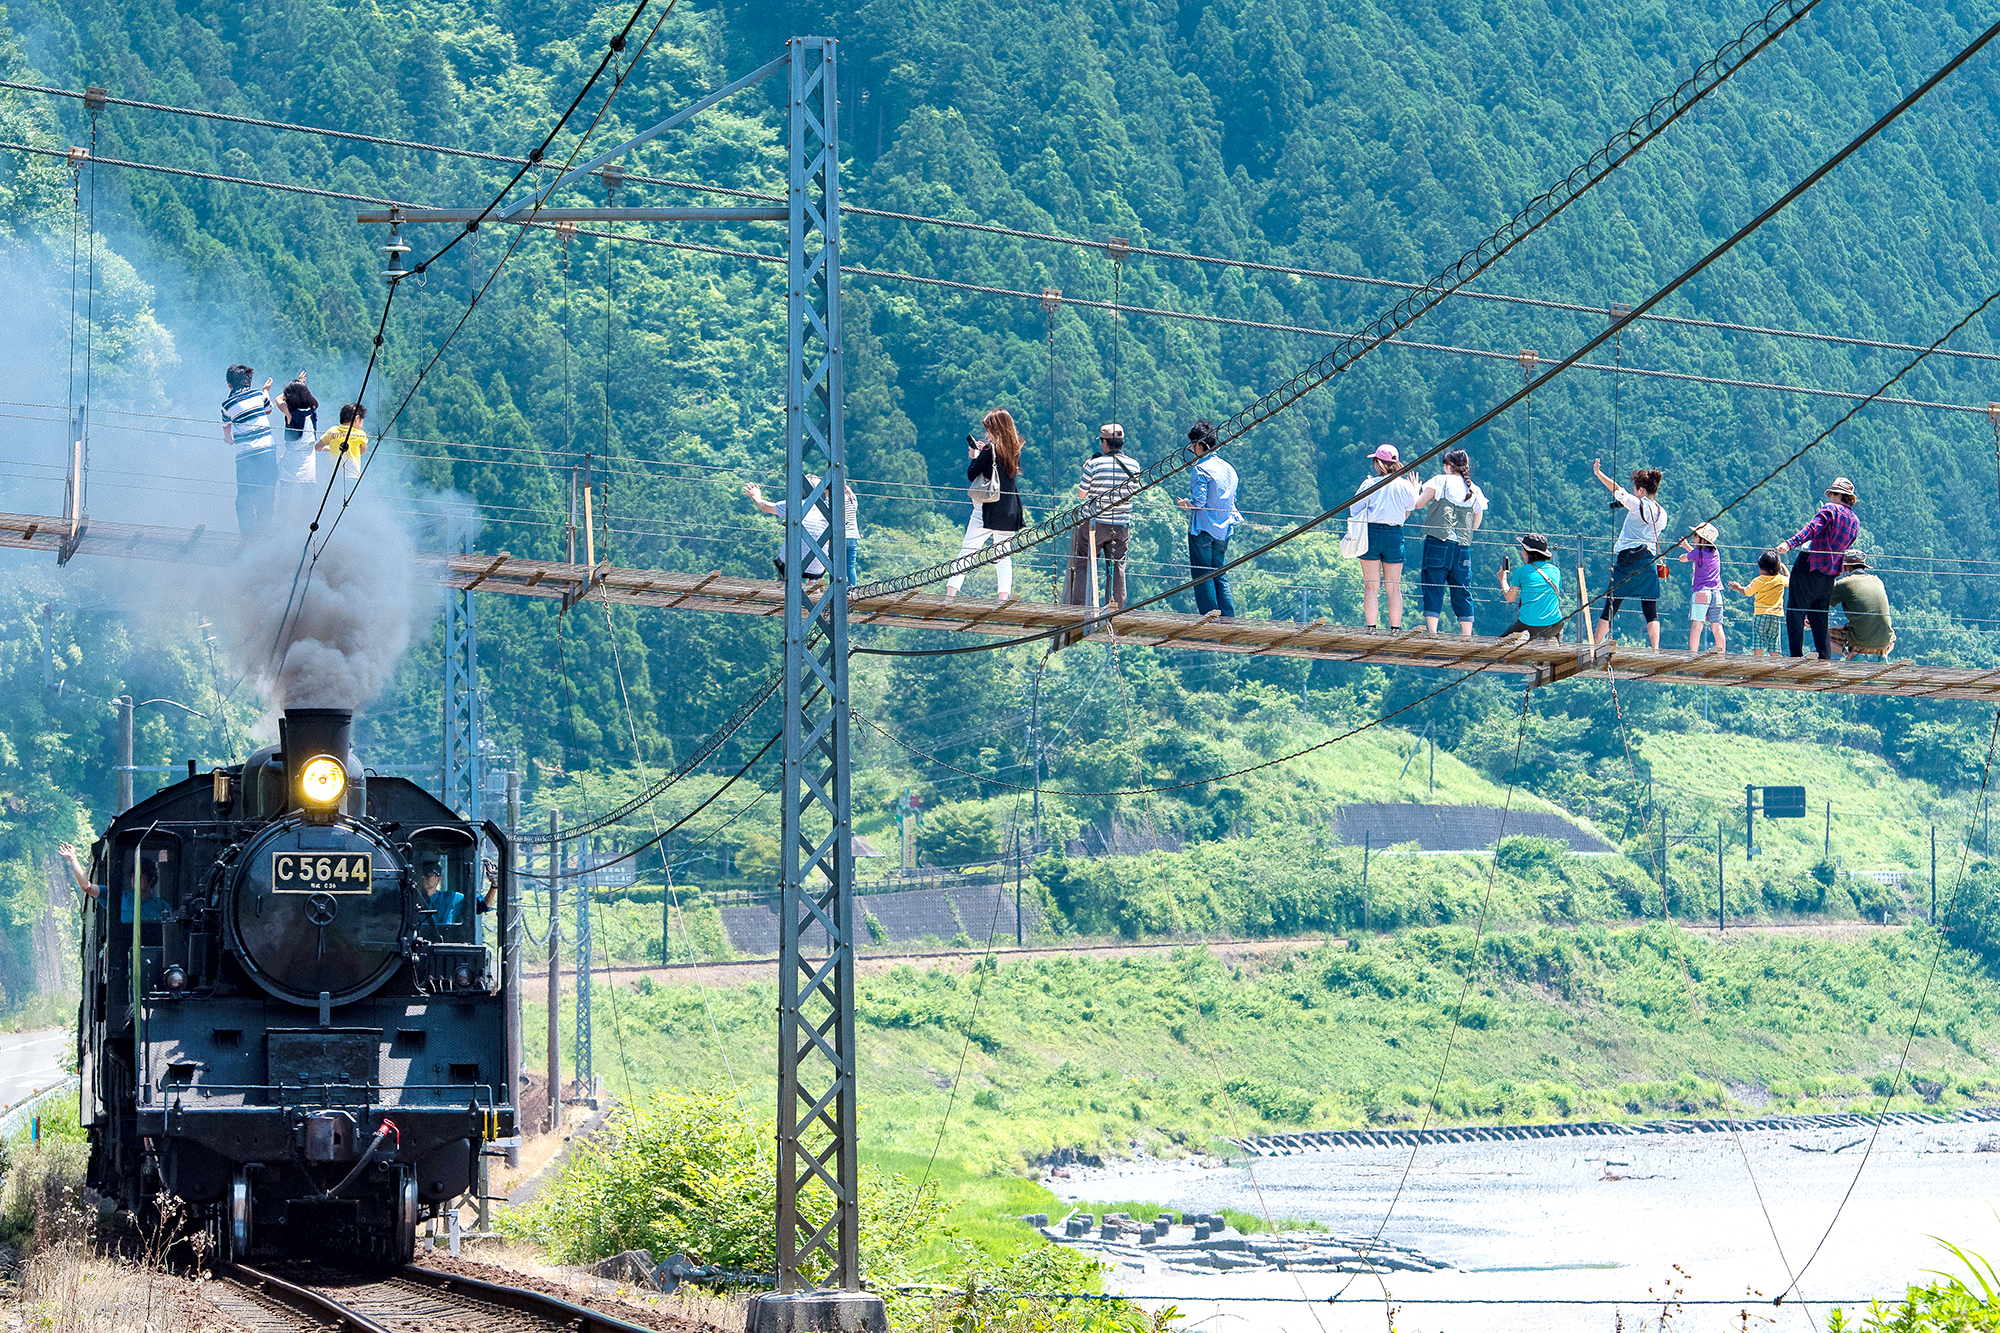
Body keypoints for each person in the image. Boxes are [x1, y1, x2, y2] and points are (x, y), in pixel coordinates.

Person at [1777, 476, 1861, 660]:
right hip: (1829, 574)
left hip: (1809, 564)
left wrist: (1789, 544)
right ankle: (1825, 659)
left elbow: (1812, 528)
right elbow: (1847, 545)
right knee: (1820, 617)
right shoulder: (1855, 521)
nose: (1829, 497)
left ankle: (1795, 658)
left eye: (1831, 494)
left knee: (1796, 610)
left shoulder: (1830, 509)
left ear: (1838, 495)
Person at [947, 409, 1027, 600]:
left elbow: (972, 474)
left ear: (995, 428)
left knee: (968, 551)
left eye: (988, 428)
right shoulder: (1015, 449)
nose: (986, 432)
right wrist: (982, 453)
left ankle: (950, 595)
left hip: (987, 509)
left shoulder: (989, 449)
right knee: (1003, 556)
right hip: (1010, 510)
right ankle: (1003, 598)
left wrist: (975, 456)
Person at [1062, 423, 1142, 612]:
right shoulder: (1134, 465)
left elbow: (1081, 494)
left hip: (1094, 524)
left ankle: (1080, 609)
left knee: (1084, 563)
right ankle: (1115, 609)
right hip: (1121, 525)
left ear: (1105, 443)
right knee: (1117, 567)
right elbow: (1135, 490)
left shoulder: (1094, 464)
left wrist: (1088, 469)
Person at [1590, 460, 1667, 650]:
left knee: (1611, 605)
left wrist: (1599, 473)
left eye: (1635, 489)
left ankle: (1594, 646)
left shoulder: (1636, 504)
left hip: (1627, 561)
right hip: (1648, 561)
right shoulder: (1662, 514)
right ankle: (1655, 650)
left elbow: (1617, 490)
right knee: (1651, 610)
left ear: (1641, 490)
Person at [1412, 448, 1487, 636]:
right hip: (1462, 547)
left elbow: (1419, 503)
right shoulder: (1475, 489)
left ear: (1449, 466)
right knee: (1463, 590)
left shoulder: (1441, 481)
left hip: (1438, 542)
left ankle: (1433, 632)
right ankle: (1466, 635)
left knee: (1433, 586)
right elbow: (1476, 522)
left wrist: (1414, 489)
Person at [1350, 443, 1422, 632]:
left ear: (1378, 462)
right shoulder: (1405, 486)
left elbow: (1354, 510)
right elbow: (1408, 510)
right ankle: (1395, 630)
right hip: (1394, 534)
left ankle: (1371, 628)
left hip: (1371, 533)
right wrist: (1415, 489)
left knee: (1371, 586)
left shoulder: (1369, 484)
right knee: (1394, 587)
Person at [1176, 418, 1240, 618]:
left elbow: (1199, 502)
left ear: (1200, 445)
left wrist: (1186, 503)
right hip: (1223, 529)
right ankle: (1228, 617)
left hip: (1203, 528)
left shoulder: (1201, 468)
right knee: (1219, 573)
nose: (1192, 449)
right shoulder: (1229, 469)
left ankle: (1210, 617)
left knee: (1202, 574)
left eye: (1193, 445)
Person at [743, 476, 860, 583]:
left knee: (783, 563)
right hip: (817, 569)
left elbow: (764, 507)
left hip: (791, 566)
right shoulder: (828, 509)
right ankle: (814, 583)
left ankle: (783, 583)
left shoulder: (793, 505)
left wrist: (756, 496)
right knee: (828, 560)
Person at [222, 364, 278, 537]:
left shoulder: (226, 405)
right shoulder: (259, 395)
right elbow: (268, 410)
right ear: (250, 382)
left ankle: (248, 537)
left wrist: (229, 439)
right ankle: (264, 534)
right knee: (266, 495)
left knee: (244, 498)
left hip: (246, 457)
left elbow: (227, 432)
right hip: (267, 452)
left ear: (229, 384)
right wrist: (266, 390)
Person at [57, 842, 166, 921]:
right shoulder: (116, 897)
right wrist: (73, 859)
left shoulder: (162, 907)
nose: (134, 879)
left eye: (140, 876)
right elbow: (87, 887)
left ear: (151, 880)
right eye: (132, 875)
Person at [1828, 550, 1895, 659]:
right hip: (1883, 643)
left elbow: (1824, 605)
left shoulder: (1844, 583)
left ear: (1848, 567)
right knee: (1892, 635)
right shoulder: (1877, 580)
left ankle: (1851, 655)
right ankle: (1883, 655)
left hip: (1858, 642)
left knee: (1823, 635)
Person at [1498, 532, 1566, 639]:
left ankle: (1522, 637)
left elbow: (1510, 598)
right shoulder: (1555, 570)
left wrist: (1503, 579)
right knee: (1553, 626)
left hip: (1529, 625)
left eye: (1522, 549)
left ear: (1527, 552)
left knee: (1501, 642)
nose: (1521, 553)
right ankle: (1552, 639)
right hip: (1554, 625)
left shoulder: (1521, 571)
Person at [1728, 550, 1789, 658]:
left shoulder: (1758, 580)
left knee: (1758, 640)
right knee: (1774, 640)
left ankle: (1758, 660)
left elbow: (1747, 592)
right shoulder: (1780, 579)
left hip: (1760, 614)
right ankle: (1774, 662)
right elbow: (1789, 579)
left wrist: (1738, 587)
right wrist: (1784, 567)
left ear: (1762, 568)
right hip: (1775, 615)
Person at [1678, 521, 1726, 654]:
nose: (1693, 537)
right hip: (1716, 593)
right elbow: (1699, 557)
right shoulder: (1715, 552)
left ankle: (1693, 655)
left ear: (1702, 539)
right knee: (1717, 628)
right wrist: (1688, 547)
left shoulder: (1697, 552)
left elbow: (1682, 558)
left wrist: (1685, 551)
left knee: (1696, 626)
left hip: (1701, 592)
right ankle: (1722, 657)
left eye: (1695, 535)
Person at [276, 373, 319, 513]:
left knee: (285, 493)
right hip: (308, 458)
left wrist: (291, 390)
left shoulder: (290, 413)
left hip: (291, 457)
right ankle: (307, 517)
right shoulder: (312, 410)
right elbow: (309, 398)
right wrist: (301, 386)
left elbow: (277, 399)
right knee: (308, 493)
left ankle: (282, 517)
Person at [318, 403, 368, 481]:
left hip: (333, 475)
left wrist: (328, 448)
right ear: (357, 418)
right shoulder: (360, 434)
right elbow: (362, 451)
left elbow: (318, 447)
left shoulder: (332, 431)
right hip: (352, 475)